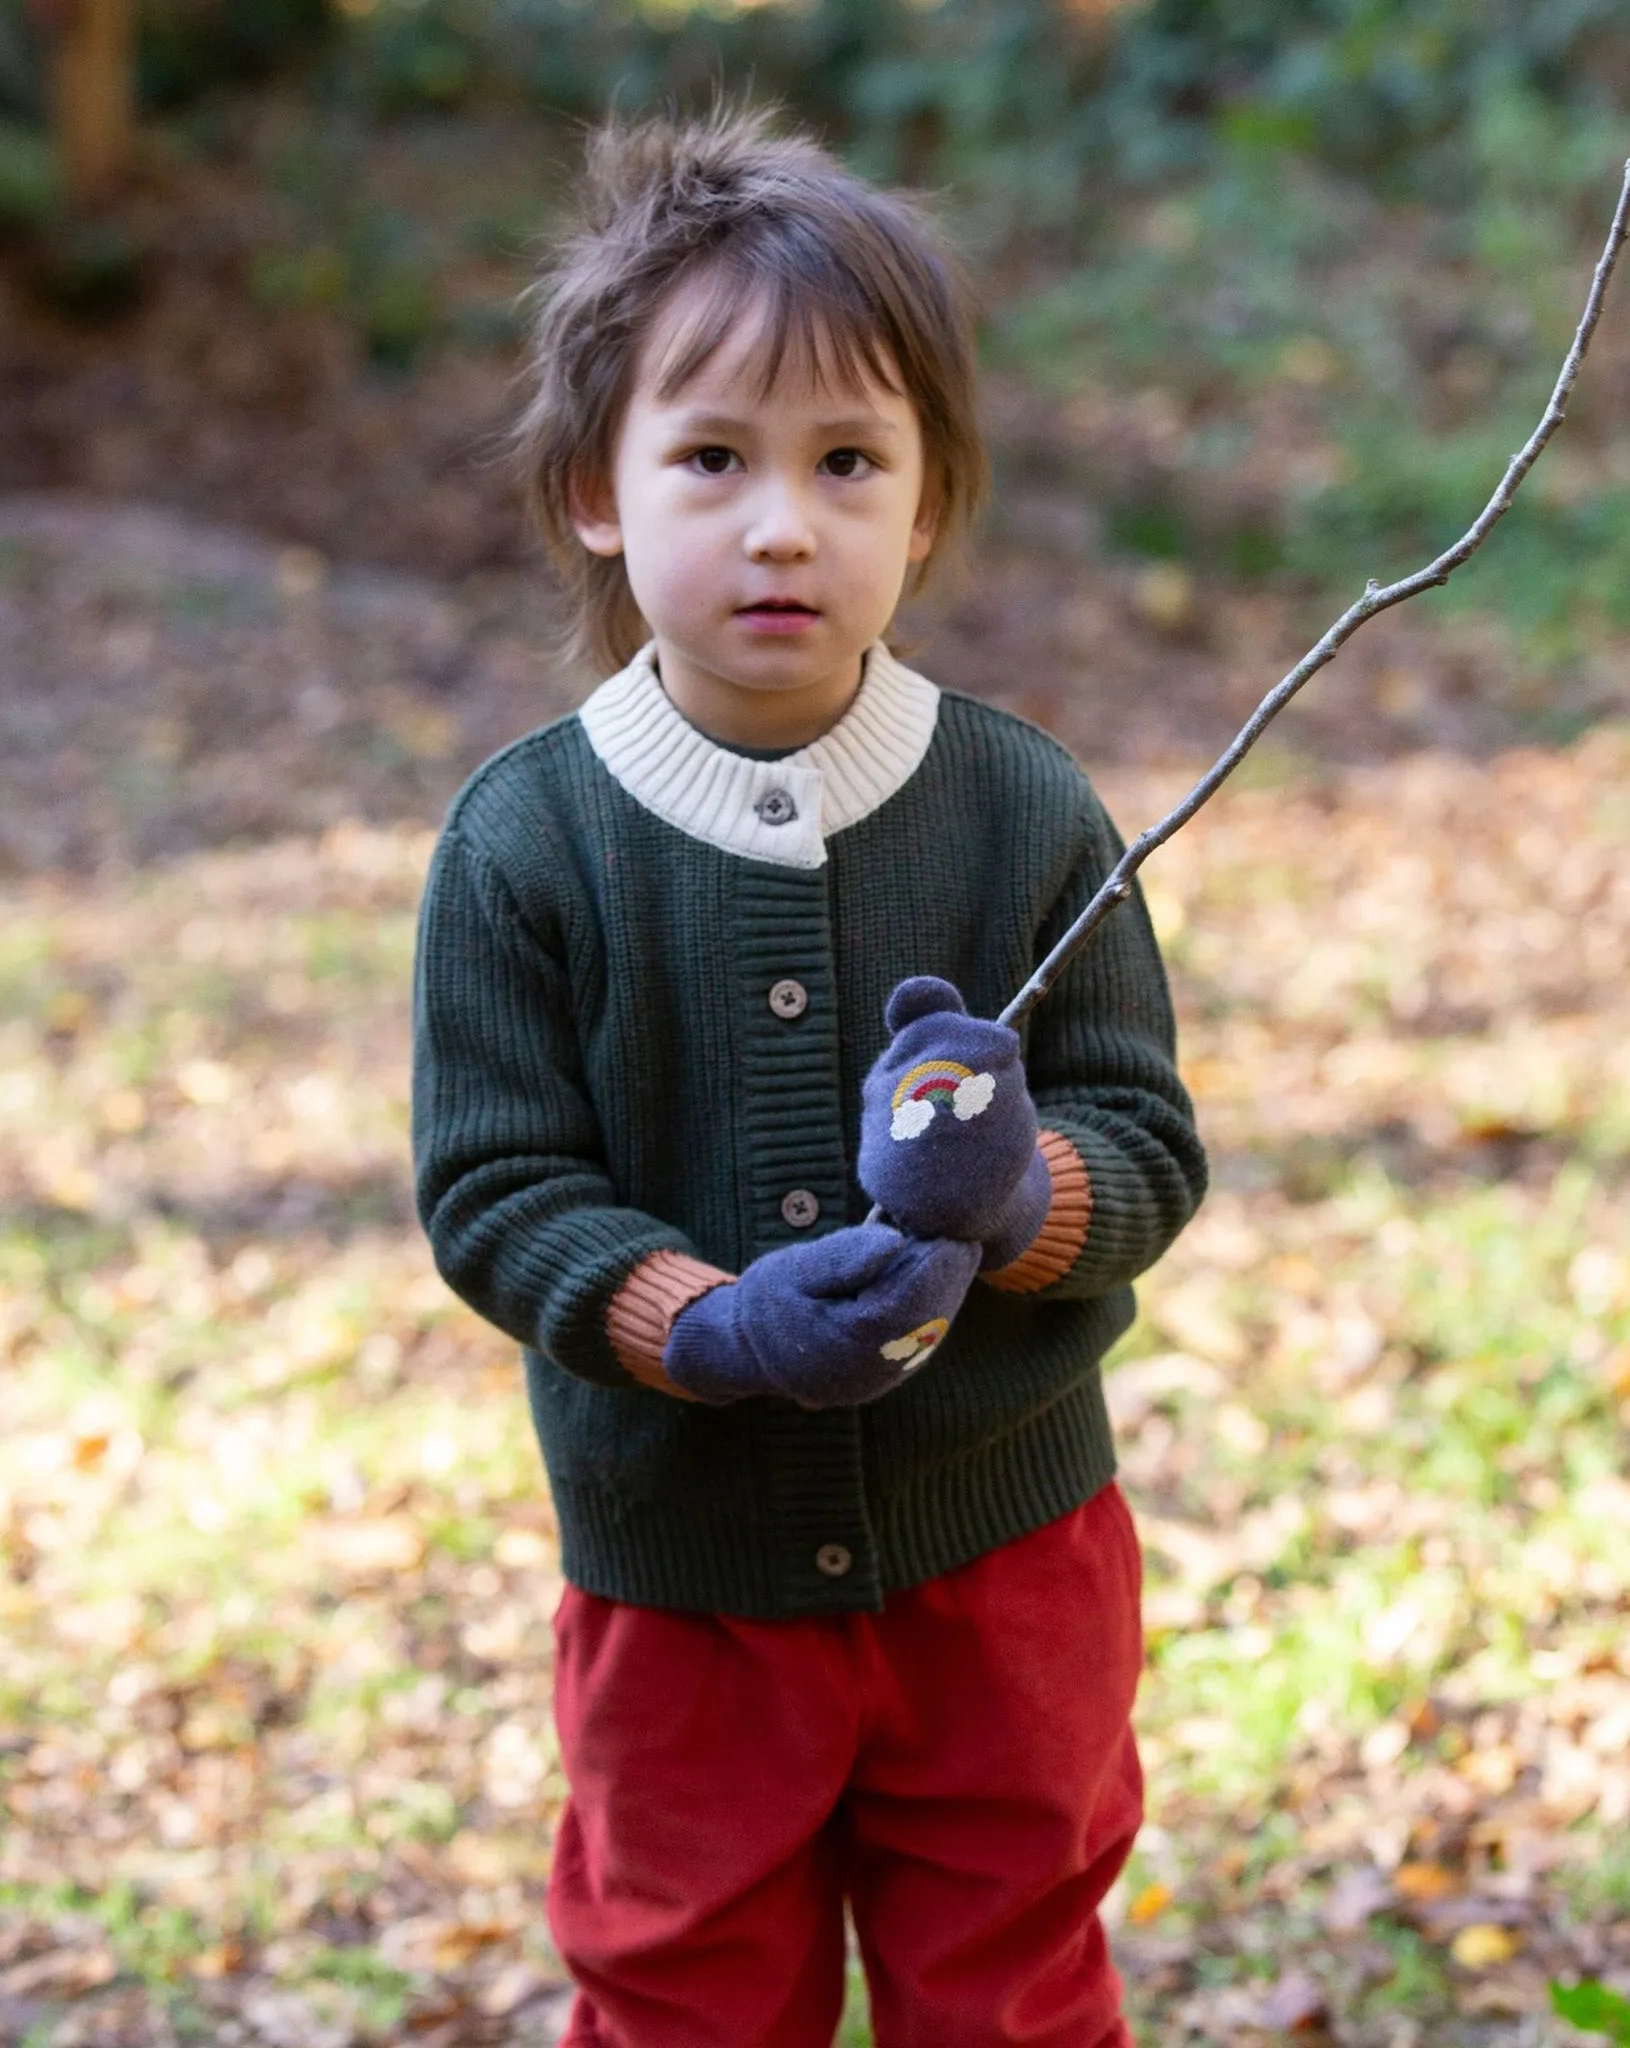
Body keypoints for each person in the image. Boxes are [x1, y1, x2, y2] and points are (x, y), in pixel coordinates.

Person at [411, 103, 1207, 2048]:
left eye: (847, 460)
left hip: (999, 1548)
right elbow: (498, 1190)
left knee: (1006, 1975)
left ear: (925, 504)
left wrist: (1020, 1197)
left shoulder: (1016, 805)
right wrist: (715, 1323)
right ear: (596, 490)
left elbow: (1145, 1135)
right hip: (683, 1574)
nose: (783, 521)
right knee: (686, 1982)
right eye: (712, 457)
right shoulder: (527, 846)